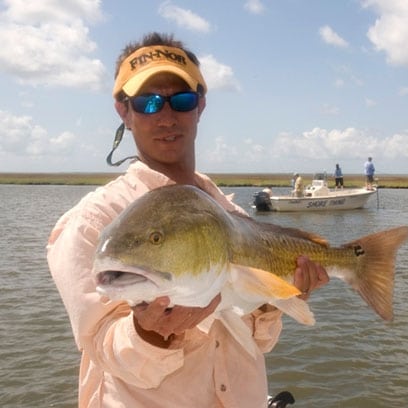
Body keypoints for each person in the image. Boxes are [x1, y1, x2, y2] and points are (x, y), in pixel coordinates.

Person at [46, 32, 329, 408]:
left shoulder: (233, 217)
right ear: (123, 111)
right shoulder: (92, 222)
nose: (165, 116)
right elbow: (100, 346)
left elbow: (259, 341)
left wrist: (274, 299)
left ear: (200, 106)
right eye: (147, 102)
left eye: (181, 100)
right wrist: (149, 333)